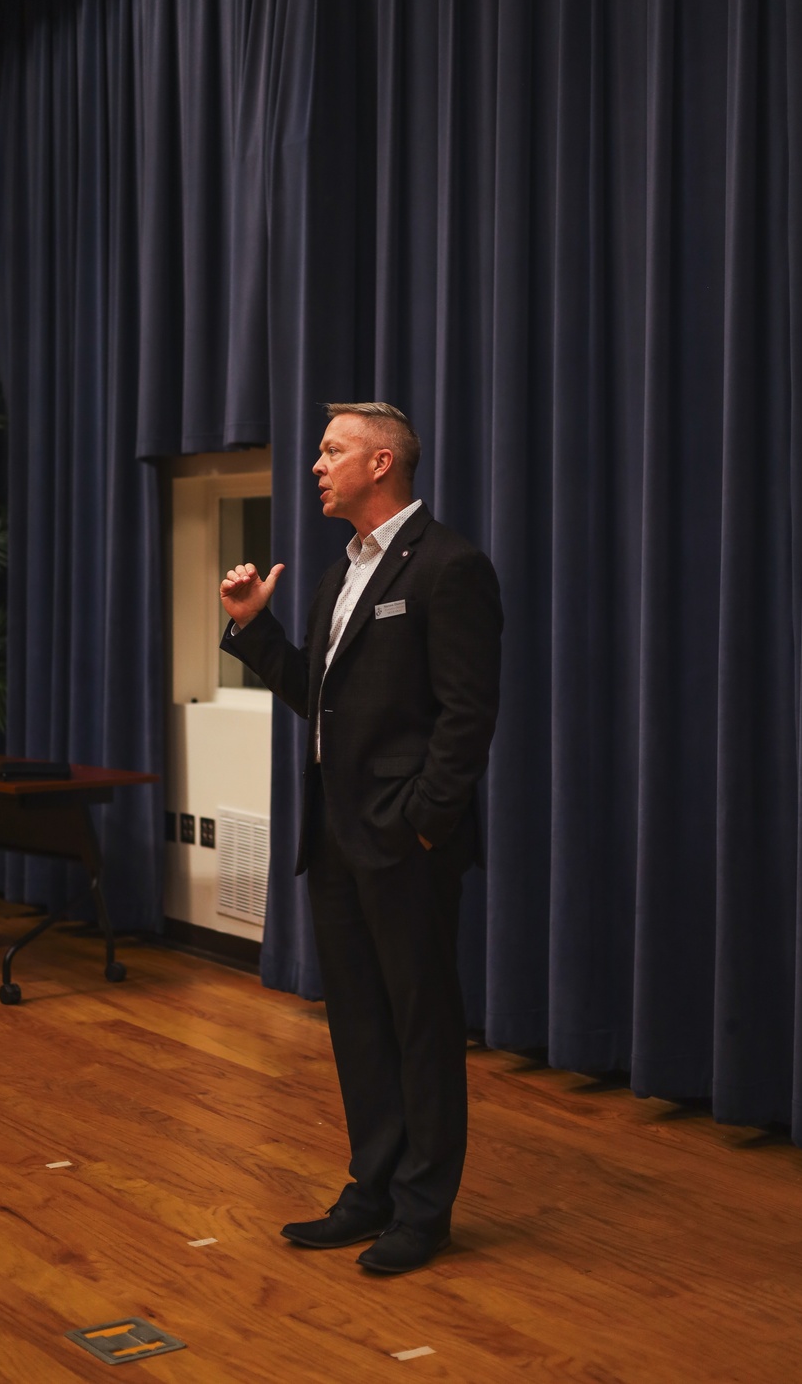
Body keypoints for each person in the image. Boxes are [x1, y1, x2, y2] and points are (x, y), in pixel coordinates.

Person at [219, 402, 503, 1275]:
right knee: (360, 1027)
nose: (316, 464)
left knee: (420, 1026)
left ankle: (424, 1210)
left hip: (401, 842)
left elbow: (467, 715)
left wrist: (423, 823)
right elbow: (322, 696)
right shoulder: (339, 573)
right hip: (337, 840)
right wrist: (253, 626)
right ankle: (371, 1189)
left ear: (382, 465)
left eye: (332, 450)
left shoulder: (450, 567)